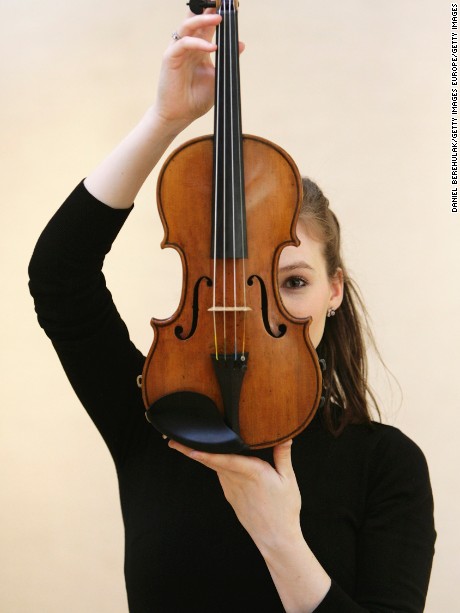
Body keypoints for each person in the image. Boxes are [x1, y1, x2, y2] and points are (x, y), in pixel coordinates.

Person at [28, 10, 435, 613]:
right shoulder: (154, 422)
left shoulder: (386, 464)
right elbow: (58, 277)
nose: (242, 311)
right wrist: (164, 119)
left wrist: (278, 537)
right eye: (230, 284)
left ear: (335, 290)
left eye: (292, 282)